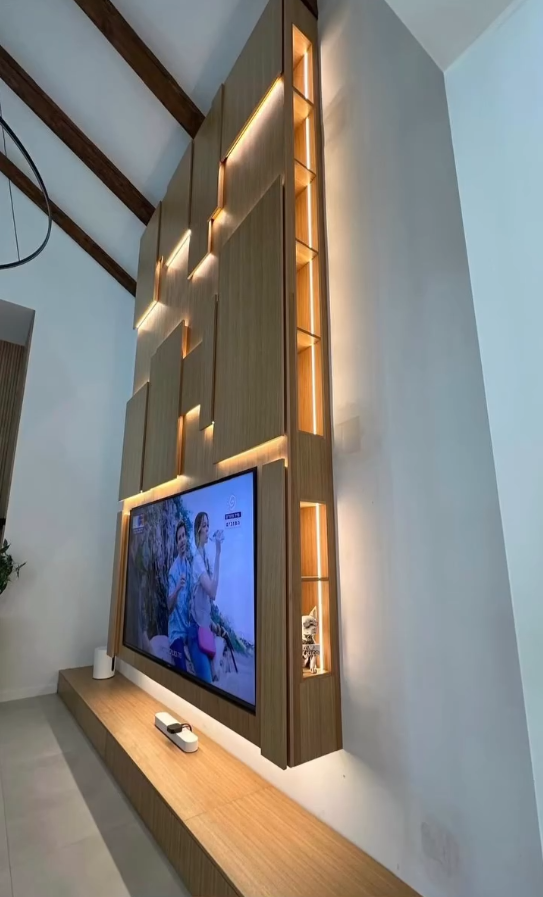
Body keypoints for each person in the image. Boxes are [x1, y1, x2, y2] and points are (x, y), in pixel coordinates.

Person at [187, 511, 223, 684]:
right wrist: (218, 553)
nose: (208, 529)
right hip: (196, 633)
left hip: (205, 630)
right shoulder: (197, 561)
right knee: (206, 682)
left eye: (208, 525)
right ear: (198, 531)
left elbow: (208, 603)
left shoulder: (204, 560)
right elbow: (212, 592)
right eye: (204, 526)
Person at [167, 520, 191, 672]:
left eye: (184, 536)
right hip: (176, 633)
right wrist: (177, 588)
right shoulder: (173, 571)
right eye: (179, 538)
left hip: (187, 629)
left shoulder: (188, 566)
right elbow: (169, 606)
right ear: (176, 543)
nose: (182, 540)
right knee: (182, 671)